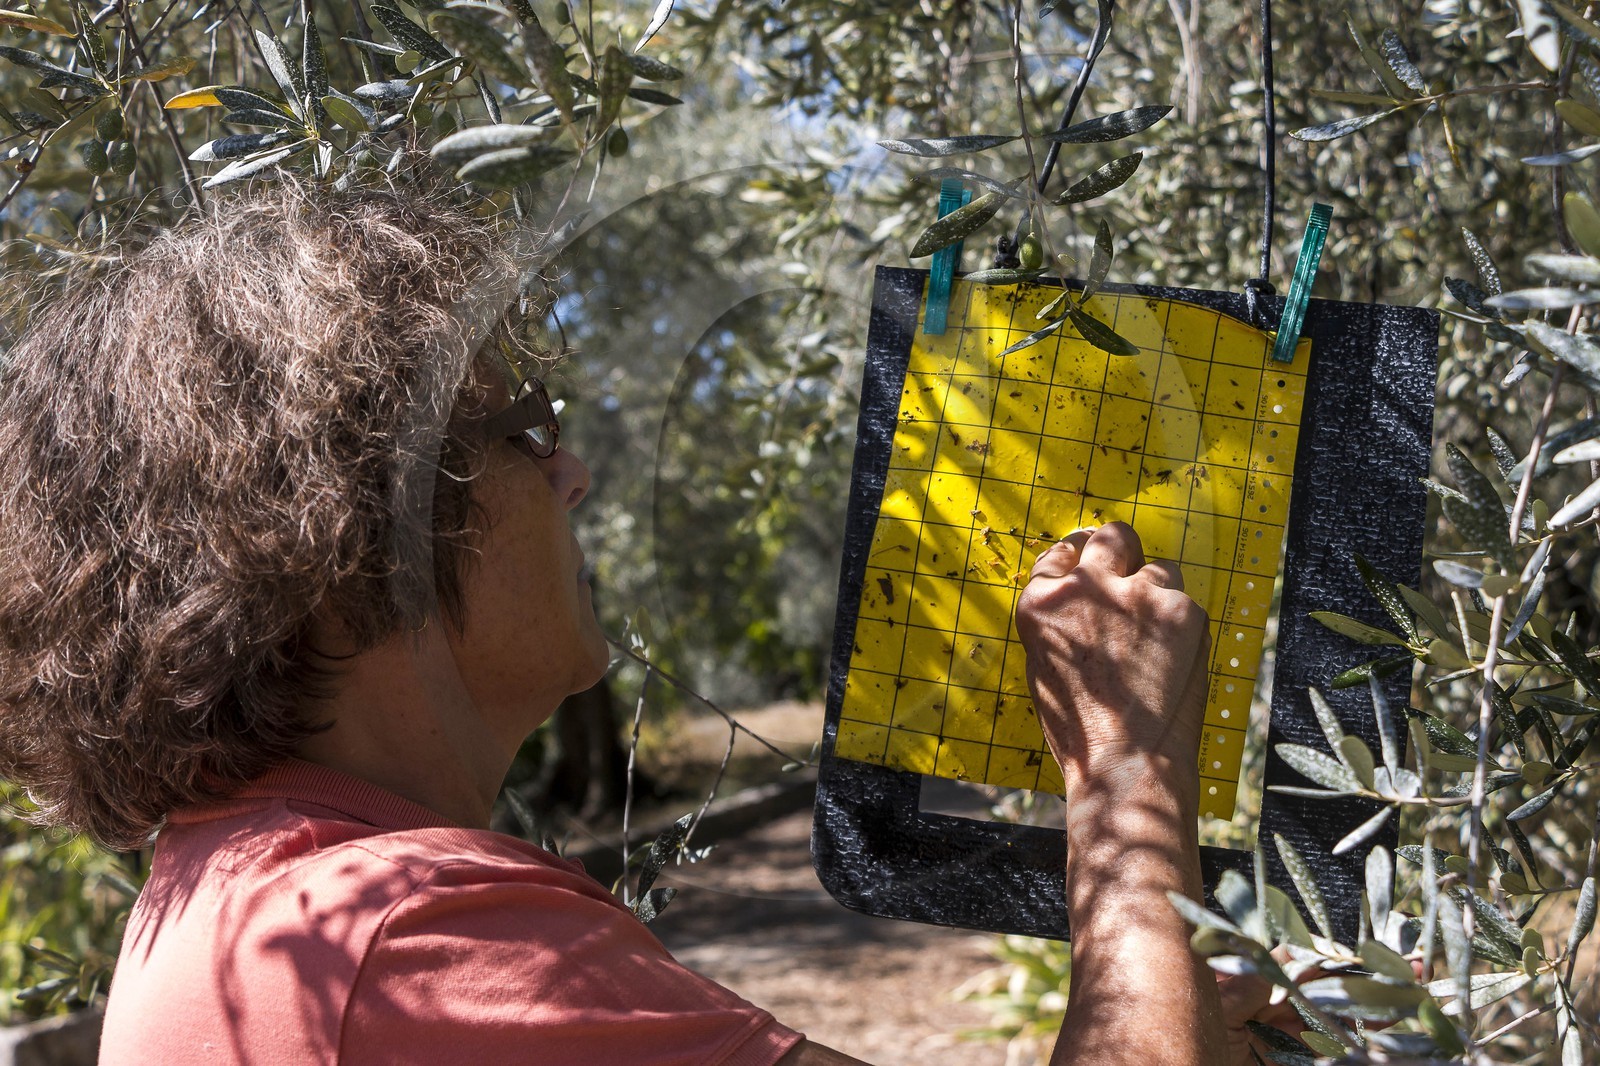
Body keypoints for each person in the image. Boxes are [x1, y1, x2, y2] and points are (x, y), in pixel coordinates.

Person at [0, 181, 1289, 1065]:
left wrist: (1157, 1000)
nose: (577, 476)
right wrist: (1127, 777)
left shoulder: (235, 894)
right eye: (528, 435)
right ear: (343, 532)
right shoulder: (396, 935)